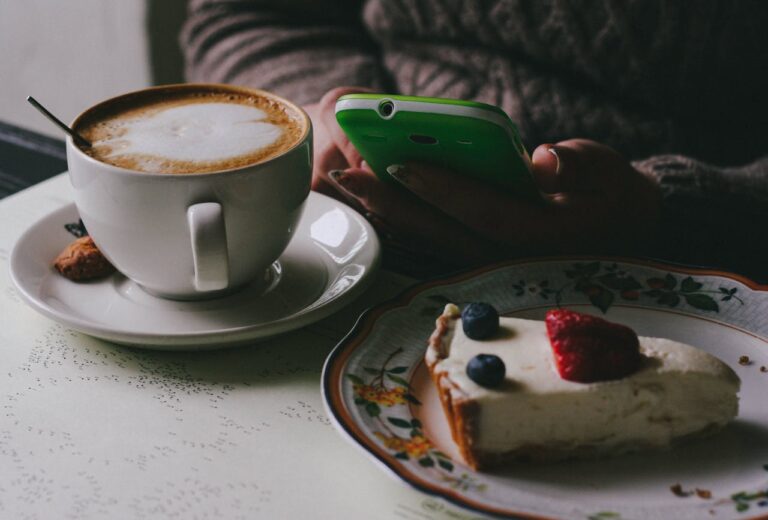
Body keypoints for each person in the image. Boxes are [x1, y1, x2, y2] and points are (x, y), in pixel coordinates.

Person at [181, 0, 768, 280]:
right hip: (356, 243)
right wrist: (319, 116)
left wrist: (676, 210)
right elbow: (256, 14)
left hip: (701, 281)